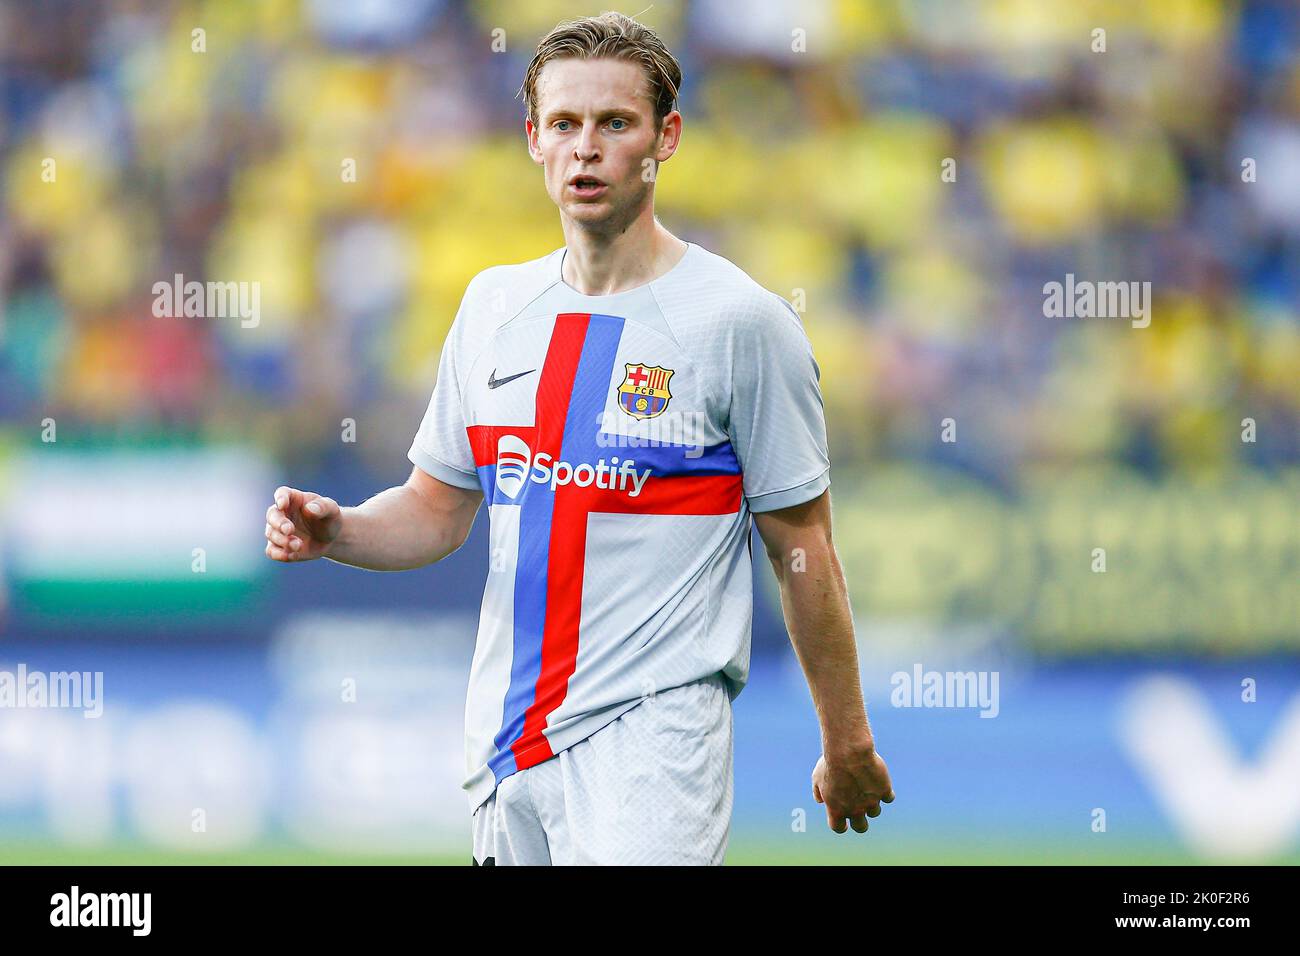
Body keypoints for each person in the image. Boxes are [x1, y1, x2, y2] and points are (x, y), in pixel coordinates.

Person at [264, 11, 893, 865]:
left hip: (654, 742)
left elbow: (803, 550)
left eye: (614, 123)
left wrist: (846, 738)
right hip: (506, 749)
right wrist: (341, 531)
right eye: (564, 124)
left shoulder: (740, 323)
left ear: (665, 137)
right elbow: (437, 509)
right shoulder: (491, 308)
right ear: (532, 138)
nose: (586, 148)